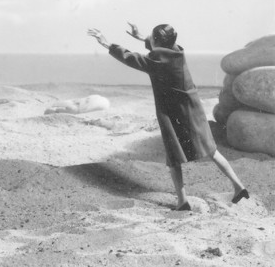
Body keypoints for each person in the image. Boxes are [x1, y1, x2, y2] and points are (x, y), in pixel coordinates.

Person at [88, 23, 249, 211]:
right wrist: (142, 38)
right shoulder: (177, 53)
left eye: (152, 38)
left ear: (158, 42)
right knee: (212, 150)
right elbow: (161, 48)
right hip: (193, 108)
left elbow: (131, 58)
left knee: (174, 157)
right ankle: (239, 187)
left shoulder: (156, 61)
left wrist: (107, 44)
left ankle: (182, 201)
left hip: (173, 113)